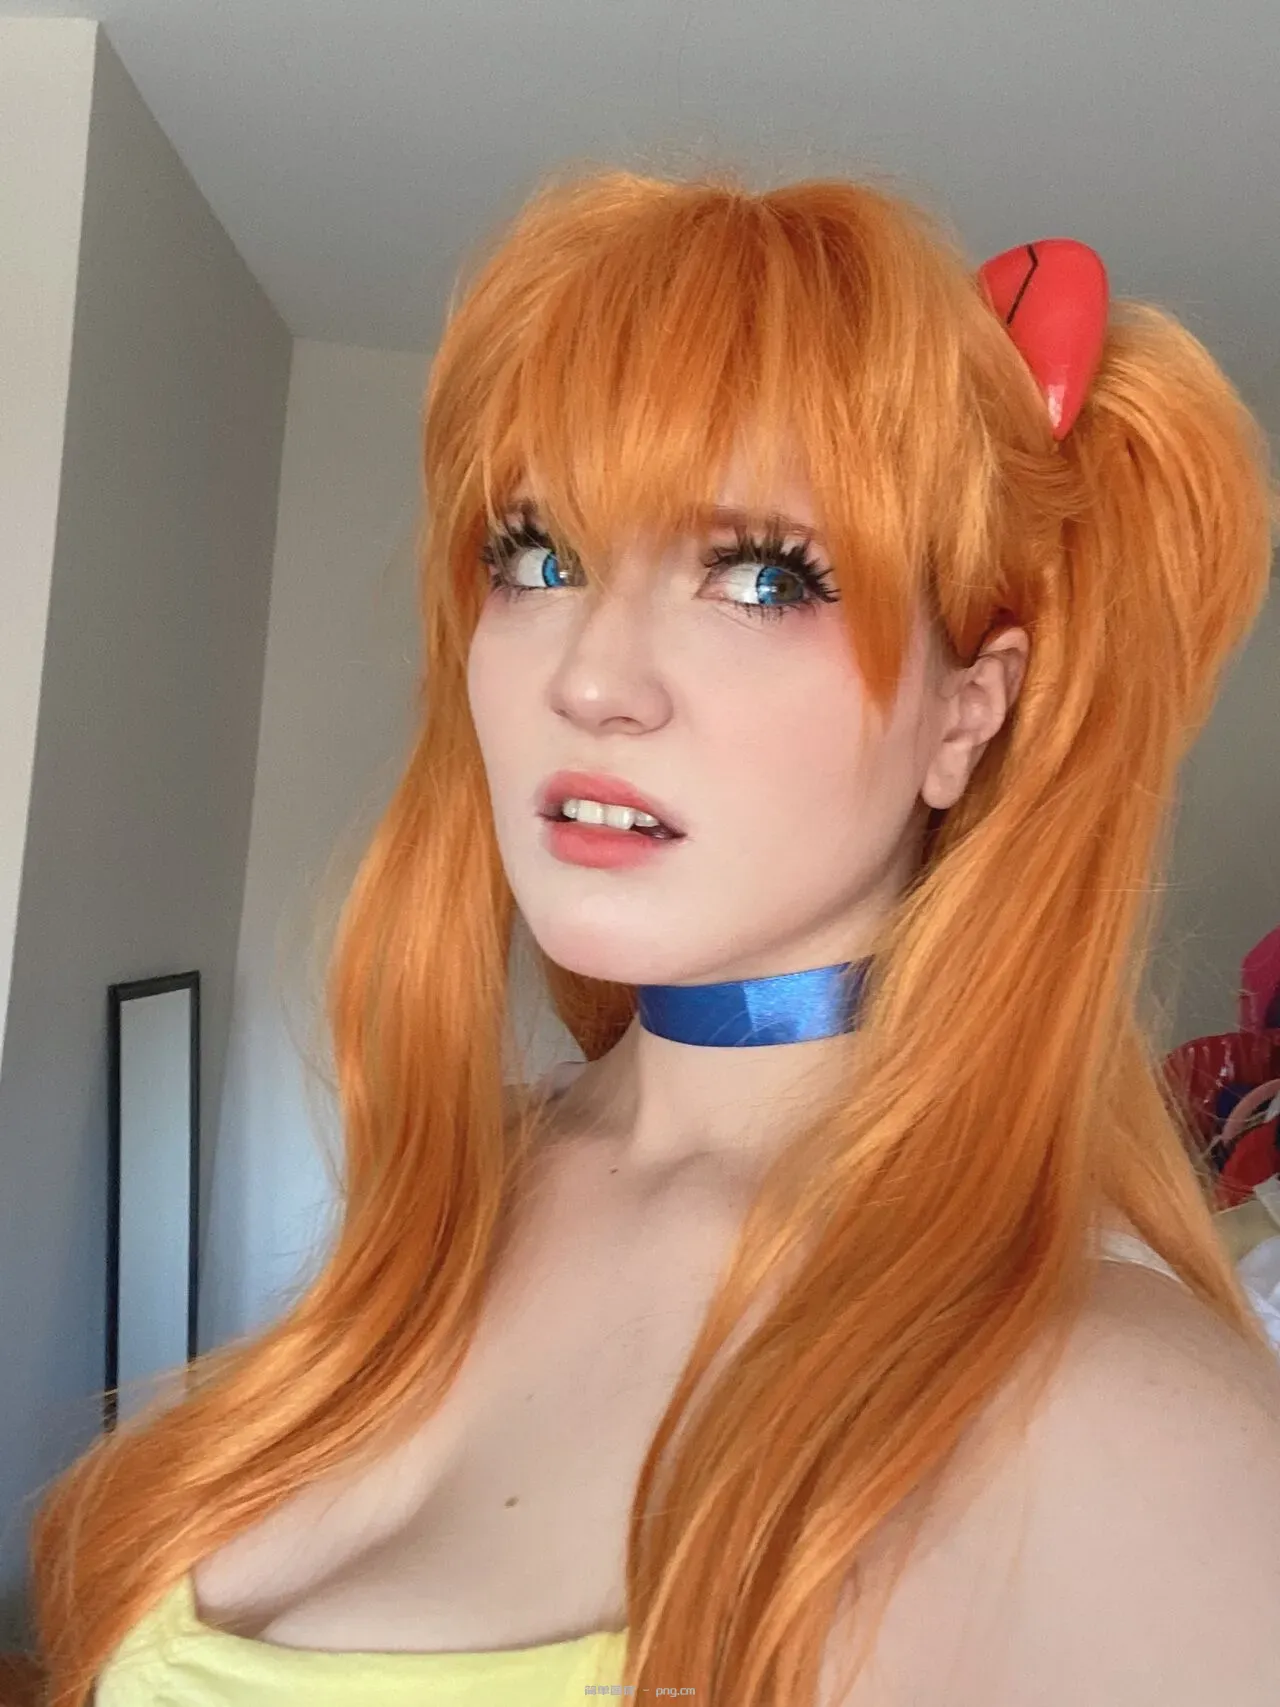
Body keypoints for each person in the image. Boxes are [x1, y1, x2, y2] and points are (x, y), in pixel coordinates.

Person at [31, 169, 1280, 1707]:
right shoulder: (461, 1186)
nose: (591, 677)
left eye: (761, 575)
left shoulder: (1120, 1426)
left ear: (968, 712)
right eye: (538, 556)